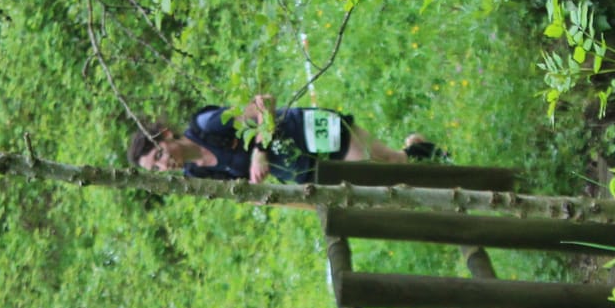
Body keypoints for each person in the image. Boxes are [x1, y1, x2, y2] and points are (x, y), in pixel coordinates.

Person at [127, 95, 438, 186]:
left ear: (165, 136)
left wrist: (259, 151)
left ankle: (430, 154)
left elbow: (264, 103)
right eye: (156, 168)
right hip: (302, 171)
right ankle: (418, 152)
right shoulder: (197, 173)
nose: (164, 165)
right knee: (378, 180)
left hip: (306, 132)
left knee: (387, 165)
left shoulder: (207, 124)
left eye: (158, 156)